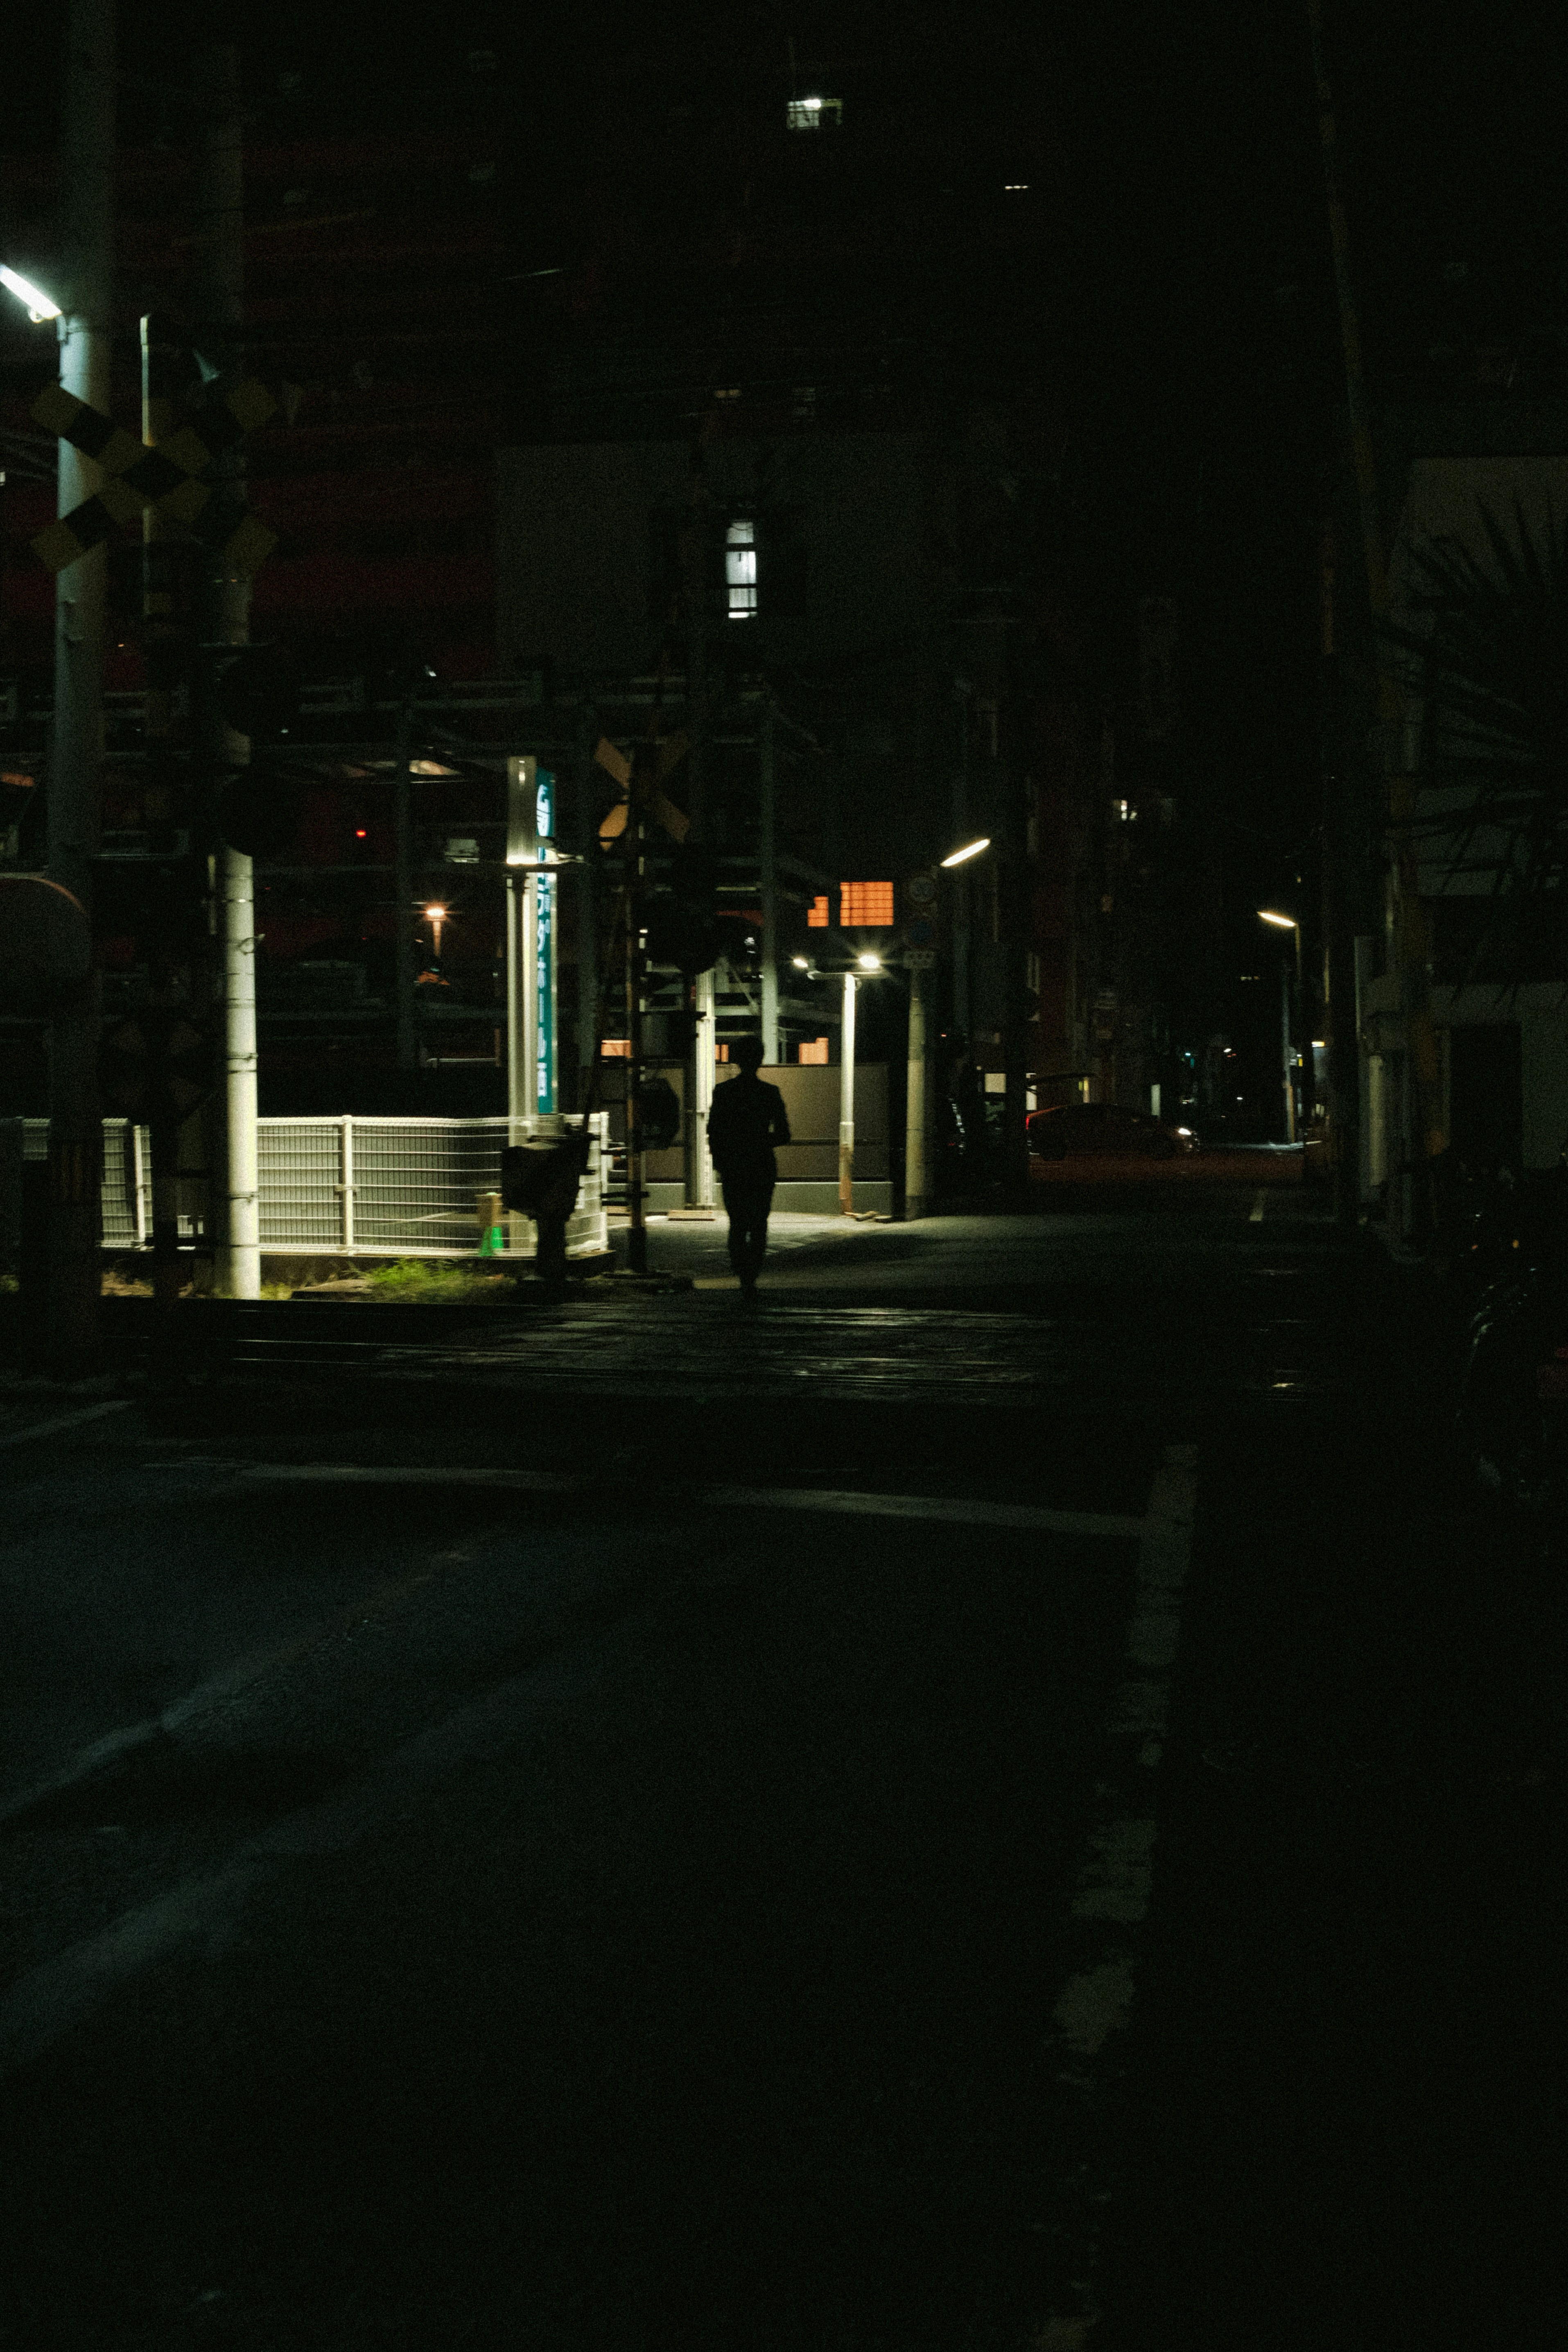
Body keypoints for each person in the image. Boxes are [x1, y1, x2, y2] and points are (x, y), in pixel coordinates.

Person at [707, 1035, 791, 1295]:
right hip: (762, 1165)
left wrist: (722, 1160)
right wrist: (760, 1141)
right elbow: (784, 1134)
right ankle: (751, 1276)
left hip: (733, 1166)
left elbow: (714, 1132)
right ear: (761, 1059)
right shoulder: (770, 1093)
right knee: (759, 1222)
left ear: (736, 1059)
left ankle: (743, 1273)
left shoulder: (723, 1092)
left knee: (737, 1223)